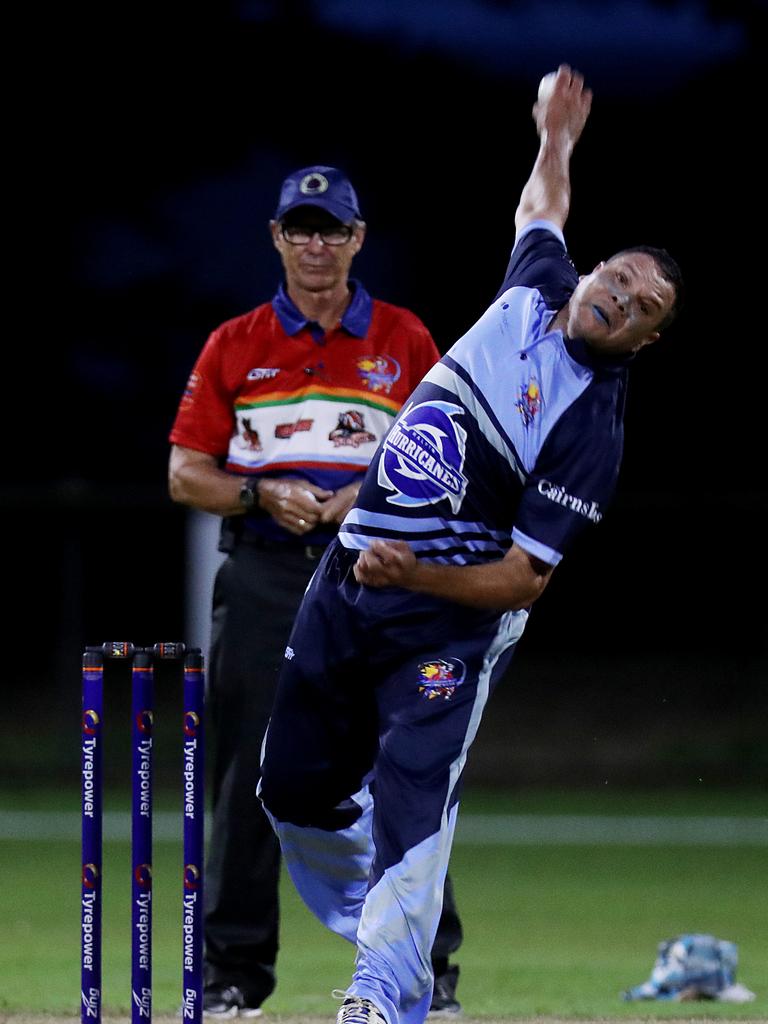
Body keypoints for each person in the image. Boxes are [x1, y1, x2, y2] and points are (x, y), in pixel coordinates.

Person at [258, 65, 684, 1024]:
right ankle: (385, 932)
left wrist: (418, 573)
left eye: (643, 306)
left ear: (645, 340)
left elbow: (525, 580)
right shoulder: (539, 281)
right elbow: (542, 202)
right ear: (594, 269)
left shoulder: (592, 428)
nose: (620, 298)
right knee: (289, 791)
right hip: (348, 583)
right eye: (619, 276)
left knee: (413, 787)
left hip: (443, 624)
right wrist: (557, 136)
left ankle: (388, 988)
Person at [168, 164, 465, 1017]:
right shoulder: (236, 341)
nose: (316, 245)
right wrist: (264, 493)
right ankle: (233, 974)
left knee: (404, 770)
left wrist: (361, 502)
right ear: (276, 237)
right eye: (300, 228)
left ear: (357, 239)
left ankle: (424, 968)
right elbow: (186, 473)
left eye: (332, 229)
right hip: (263, 574)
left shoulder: (406, 340)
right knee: (249, 773)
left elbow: (454, 459)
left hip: (376, 579)